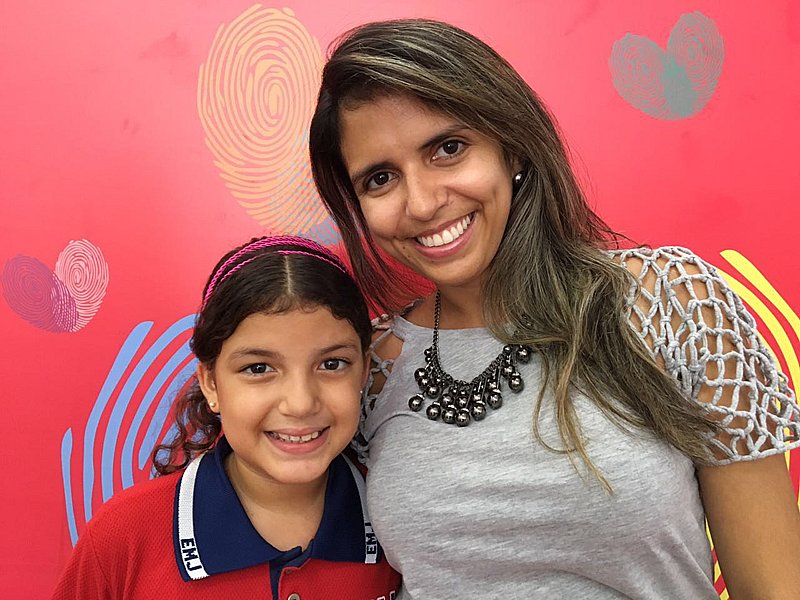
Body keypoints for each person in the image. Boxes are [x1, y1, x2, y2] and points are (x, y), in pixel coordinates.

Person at [308, 18, 800, 599]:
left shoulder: (673, 305)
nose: (420, 202)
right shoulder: (370, 366)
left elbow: (775, 588)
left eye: (448, 149)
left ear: (512, 146)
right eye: (380, 178)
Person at [52, 236, 401, 599]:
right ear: (211, 383)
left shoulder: (401, 526)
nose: (300, 403)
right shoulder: (122, 536)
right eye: (259, 368)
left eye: (332, 364)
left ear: (364, 371)